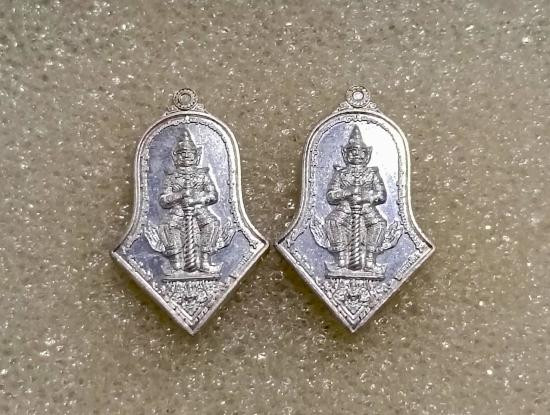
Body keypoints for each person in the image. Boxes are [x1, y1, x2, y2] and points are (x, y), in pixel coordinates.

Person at [324, 125, 387, 274]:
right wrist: (347, 192)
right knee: (332, 221)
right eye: (352, 151)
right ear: (346, 154)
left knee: (379, 224)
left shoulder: (372, 173)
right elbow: (331, 196)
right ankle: (341, 259)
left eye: (360, 152)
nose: (356, 154)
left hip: (366, 208)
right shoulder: (340, 174)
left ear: (366, 154)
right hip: (345, 207)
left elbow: (381, 195)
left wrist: (366, 197)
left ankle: (370, 260)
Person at [159, 127, 220, 274]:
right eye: (182, 153)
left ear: (196, 155)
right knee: (167, 227)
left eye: (190, 153)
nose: (186, 156)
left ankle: (204, 261)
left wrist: (196, 199)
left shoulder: (202, 175)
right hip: (178, 210)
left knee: (212, 224)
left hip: (198, 208)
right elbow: (163, 200)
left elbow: (213, 195)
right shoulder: (171, 177)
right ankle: (176, 264)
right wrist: (179, 195)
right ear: (176, 157)